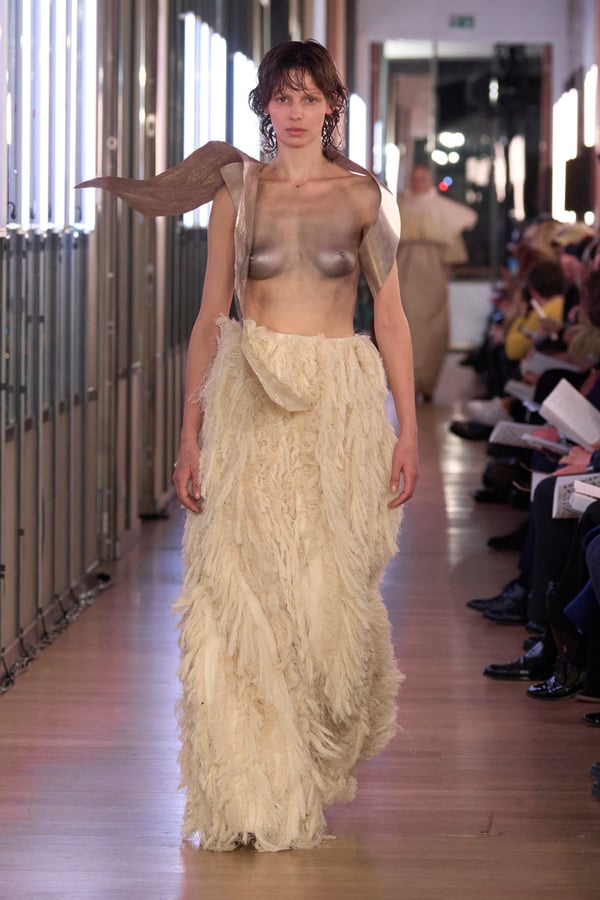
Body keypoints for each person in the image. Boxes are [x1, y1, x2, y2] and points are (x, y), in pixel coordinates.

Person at [79, 40, 418, 852]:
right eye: (283, 97)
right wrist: (188, 436)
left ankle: (305, 764)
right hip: (249, 403)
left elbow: (392, 317)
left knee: (323, 596)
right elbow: (208, 320)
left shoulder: (367, 196)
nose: (296, 112)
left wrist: (408, 429)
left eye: (310, 97)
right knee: (240, 592)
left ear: (332, 107)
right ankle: (250, 791)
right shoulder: (238, 192)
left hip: (337, 411)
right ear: (265, 106)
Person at [396, 164, 477, 401]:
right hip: (403, 280)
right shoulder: (398, 207)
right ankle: (407, 383)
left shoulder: (444, 211)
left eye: (423, 178)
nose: (418, 183)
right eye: (415, 178)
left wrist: (444, 278)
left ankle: (427, 382)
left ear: (430, 181)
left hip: (433, 283)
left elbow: (450, 256)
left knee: (433, 331)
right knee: (406, 330)